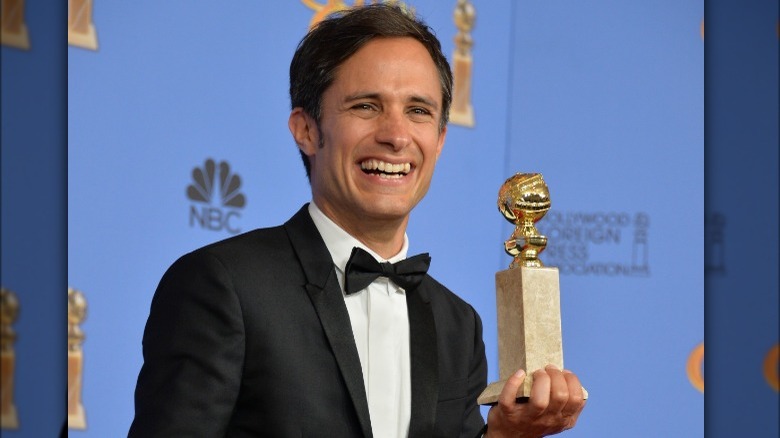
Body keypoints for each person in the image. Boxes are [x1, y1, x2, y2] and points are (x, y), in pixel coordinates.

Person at [129, 4, 585, 437]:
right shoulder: (222, 286)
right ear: (306, 130)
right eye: (366, 106)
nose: (395, 135)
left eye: (418, 111)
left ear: (440, 139)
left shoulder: (458, 326)